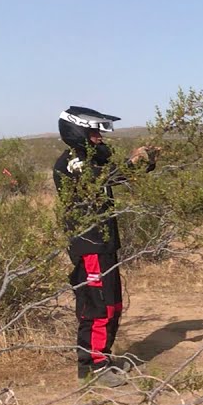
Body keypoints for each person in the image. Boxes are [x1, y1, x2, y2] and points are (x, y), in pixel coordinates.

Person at [53, 106, 156, 386]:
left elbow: (115, 173)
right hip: (89, 244)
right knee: (96, 306)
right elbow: (108, 175)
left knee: (112, 304)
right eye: (93, 132)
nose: (99, 138)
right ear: (78, 132)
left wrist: (145, 161)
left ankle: (103, 358)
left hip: (104, 243)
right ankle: (92, 365)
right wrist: (132, 163)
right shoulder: (73, 163)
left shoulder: (89, 159)